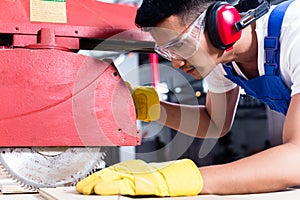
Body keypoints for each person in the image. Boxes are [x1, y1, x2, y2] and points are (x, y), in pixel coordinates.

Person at [76, 0, 300, 196]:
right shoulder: (222, 63)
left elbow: (296, 158)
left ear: (223, 23)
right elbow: (214, 123)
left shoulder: (295, 32)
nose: (175, 63)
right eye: (167, 52)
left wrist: (180, 179)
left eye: (180, 46)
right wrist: (148, 106)